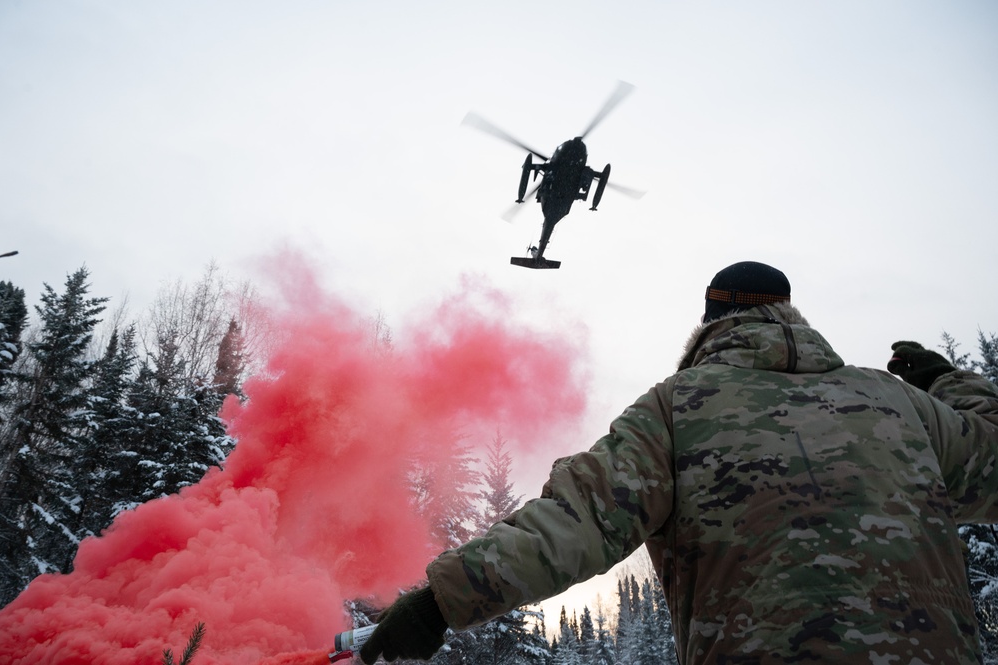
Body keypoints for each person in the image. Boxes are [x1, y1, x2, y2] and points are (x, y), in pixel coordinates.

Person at [359, 261, 998, 664]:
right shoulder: (896, 401)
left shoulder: (678, 407)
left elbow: (574, 521)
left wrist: (439, 603)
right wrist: (950, 382)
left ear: (710, 324)